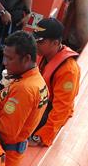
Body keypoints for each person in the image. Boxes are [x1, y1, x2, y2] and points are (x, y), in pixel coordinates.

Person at [0, 31, 48, 166]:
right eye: (4, 56)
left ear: (26, 59)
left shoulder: (24, 89)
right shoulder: (36, 81)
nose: (4, 62)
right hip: (8, 152)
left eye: (9, 58)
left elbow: (5, 132)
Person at [29, 17, 80, 147]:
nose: (36, 44)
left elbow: (62, 108)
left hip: (48, 108)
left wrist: (41, 136)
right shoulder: (41, 54)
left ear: (55, 43)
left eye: (40, 41)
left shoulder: (68, 70)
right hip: (37, 100)